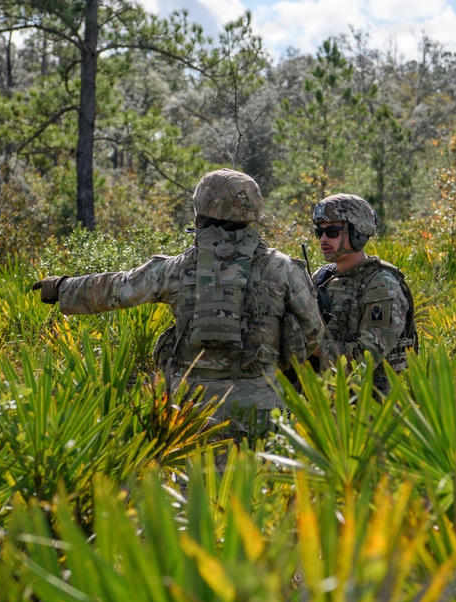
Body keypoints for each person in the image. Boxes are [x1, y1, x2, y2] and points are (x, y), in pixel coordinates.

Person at [32, 169, 325, 437]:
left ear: (201, 210)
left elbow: (119, 289)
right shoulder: (283, 268)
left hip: (189, 407)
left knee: (191, 476)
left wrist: (61, 288)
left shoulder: (177, 268)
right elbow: (313, 333)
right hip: (259, 404)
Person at [310, 193, 417, 393]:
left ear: (357, 233)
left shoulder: (381, 286)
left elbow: (365, 358)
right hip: (325, 398)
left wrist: (310, 345)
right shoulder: (322, 277)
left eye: (332, 231)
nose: (323, 238)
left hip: (369, 403)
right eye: (319, 231)